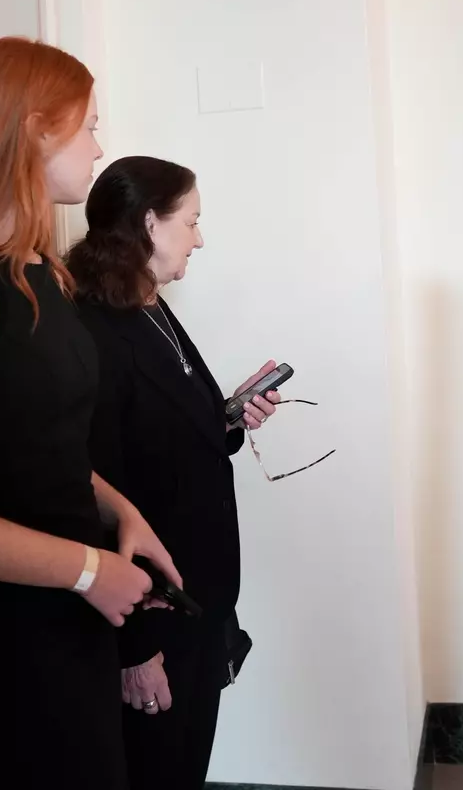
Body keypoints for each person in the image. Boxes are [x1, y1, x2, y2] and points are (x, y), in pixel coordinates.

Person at [0, 39, 181, 790]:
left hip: (66, 615)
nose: (100, 148)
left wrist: (121, 512)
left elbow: (40, 444)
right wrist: (89, 569)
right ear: (36, 129)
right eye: (89, 126)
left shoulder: (42, 272)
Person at [67, 156, 280, 790]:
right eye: (191, 222)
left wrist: (230, 422)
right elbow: (93, 494)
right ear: (151, 225)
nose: (200, 237)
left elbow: (165, 441)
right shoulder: (92, 331)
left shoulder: (151, 306)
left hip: (199, 605)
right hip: (151, 618)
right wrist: (135, 651)